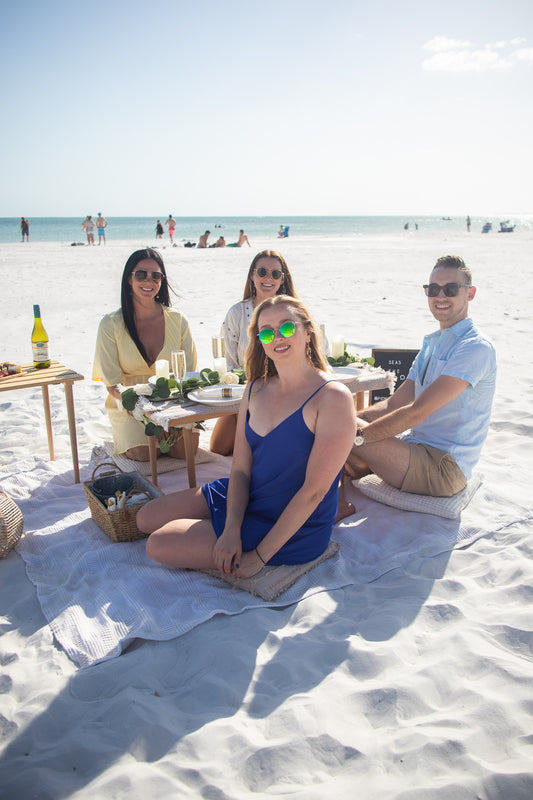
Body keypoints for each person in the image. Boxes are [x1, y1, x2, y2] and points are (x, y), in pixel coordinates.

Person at [137, 295, 356, 578]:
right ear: (260, 341)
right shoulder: (254, 389)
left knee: (158, 544)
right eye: (266, 332)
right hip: (250, 493)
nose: (277, 337)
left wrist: (261, 556)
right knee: (146, 518)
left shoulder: (332, 397)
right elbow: (240, 469)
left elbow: (314, 492)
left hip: (294, 523)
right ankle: (224, 524)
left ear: (308, 330)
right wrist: (231, 530)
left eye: (287, 327)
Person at [341, 255, 496, 510]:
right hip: (414, 449)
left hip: (445, 468)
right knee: (337, 421)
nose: (440, 296)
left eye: (451, 289)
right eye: (433, 289)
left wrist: (355, 437)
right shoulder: (432, 344)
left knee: (336, 428)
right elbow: (394, 404)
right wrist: (354, 419)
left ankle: (329, 506)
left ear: (471, 294)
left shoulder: (475, 347)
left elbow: (417, 412)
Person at [93, 248, 198, 461]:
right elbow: (113, 385)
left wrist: (170, 414)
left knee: (184, 451)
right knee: (145, 453)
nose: (148, 280)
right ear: (129, 279)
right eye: (141, 274)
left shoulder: (178, 320)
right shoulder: (110, 324)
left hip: (172, 402)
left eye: (155, 275)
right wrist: (149, 416)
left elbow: (190, 375)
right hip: (130, 404)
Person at [210, 250, 298, 455]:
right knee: (218, 449)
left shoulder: (294, 312)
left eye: (275, 274)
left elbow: (315, 353)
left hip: (285, 395)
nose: (268, 278)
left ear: (282, 279)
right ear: (252, 275)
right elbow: (228, 363)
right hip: (245, 394)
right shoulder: (237, 313)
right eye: (262, 272)